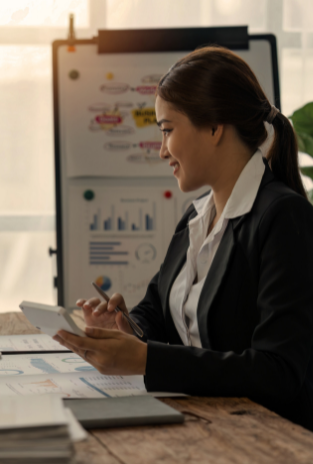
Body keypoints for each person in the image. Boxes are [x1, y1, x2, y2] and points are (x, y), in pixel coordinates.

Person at [53, 46, 313, 430]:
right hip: (206, 424)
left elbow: (279, 371)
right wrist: (126, 327)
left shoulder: (282, 217)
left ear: (213, 128)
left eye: (167, 130)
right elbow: (158, 311)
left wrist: (146, 360)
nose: (161, 151)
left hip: (268, 437)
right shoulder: (197, 214)